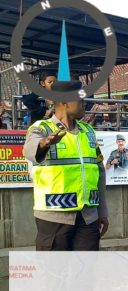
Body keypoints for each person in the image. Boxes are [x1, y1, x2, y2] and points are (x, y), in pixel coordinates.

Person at [23, 80, 109, 251]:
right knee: (55, 274)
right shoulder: (41, 128)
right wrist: (43, 144)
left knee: (86, 272)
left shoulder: (88, 131)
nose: (84, 104)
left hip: (88, 217)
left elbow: (99, 171)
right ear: (64, 102)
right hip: (54, 218)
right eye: (80, 100)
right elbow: (29, 149)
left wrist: (102, 212)